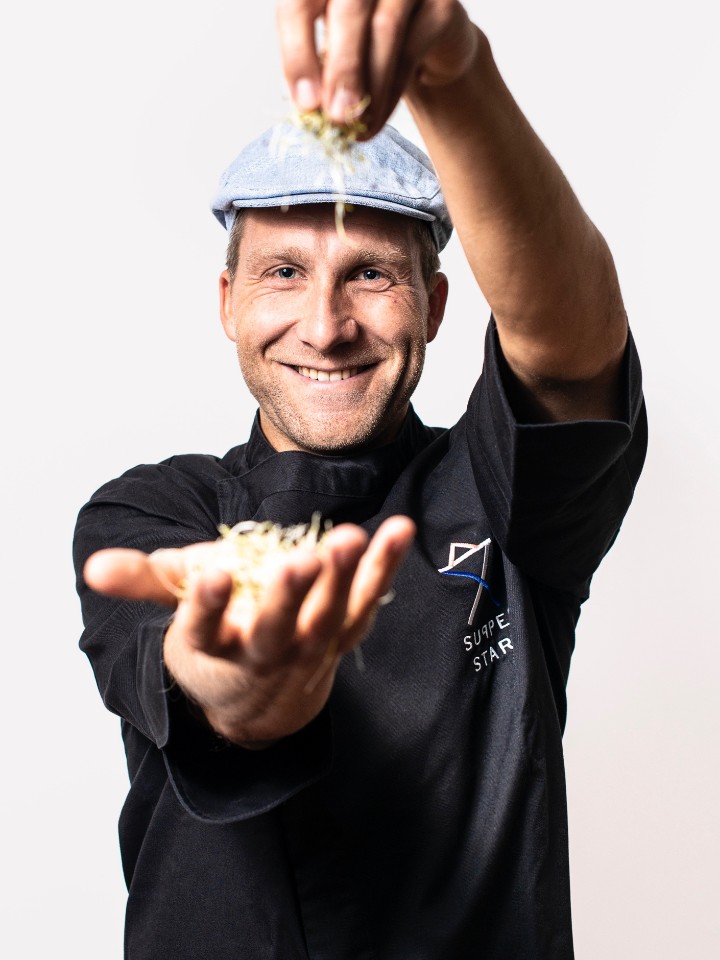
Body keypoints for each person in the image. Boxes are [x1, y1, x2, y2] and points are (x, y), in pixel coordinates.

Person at [73, 2, 647, 957]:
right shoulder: (153, 512)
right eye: (284, 272)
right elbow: (197, 675)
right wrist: (247, 685)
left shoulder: (498, 494)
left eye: (371, 274)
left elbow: (568, 346)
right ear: (229, 302)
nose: (326, 325)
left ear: (435, 304)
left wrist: (456, 74)